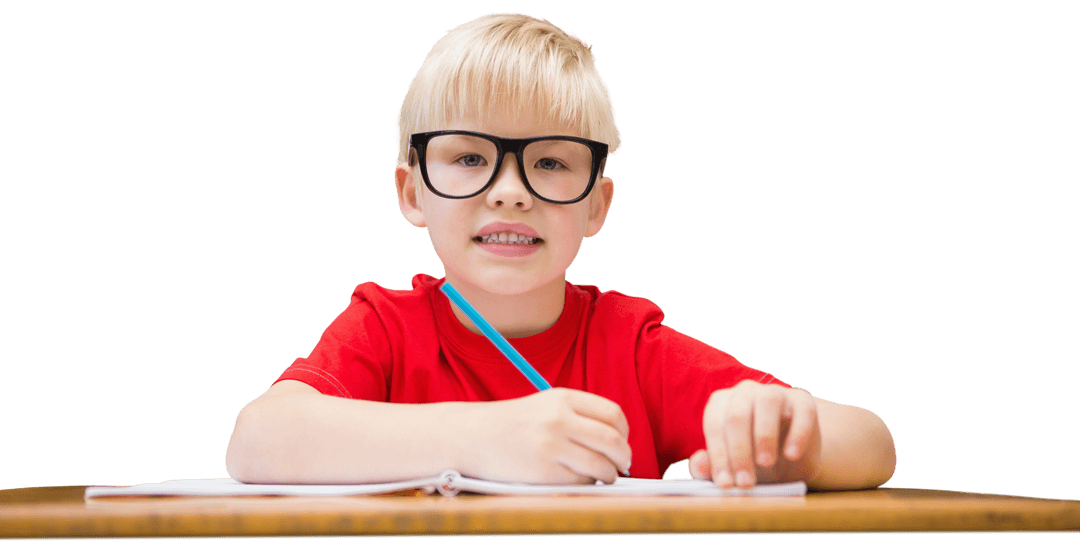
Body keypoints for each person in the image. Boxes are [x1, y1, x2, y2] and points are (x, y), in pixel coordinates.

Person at [224, 12, 896, 490]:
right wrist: (486, 438)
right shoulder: (385, 330)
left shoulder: (631, 347)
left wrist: (792, 441)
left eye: (549, 162)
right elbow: (257, 440)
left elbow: (873, 442)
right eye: (469, 157)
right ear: (411, 191)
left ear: (597, 205)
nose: (510, 191)